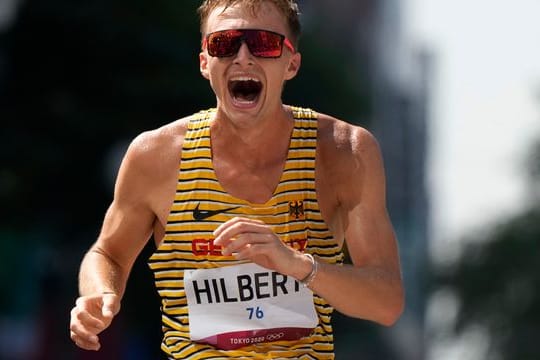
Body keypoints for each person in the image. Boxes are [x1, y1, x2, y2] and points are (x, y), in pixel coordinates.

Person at [69, 0, 405, 358]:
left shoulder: (344, 152)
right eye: (224, 43)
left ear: (291, 63)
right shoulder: (155, 155)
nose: (243, 57)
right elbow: (108, 253)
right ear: (204, 62)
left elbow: (386, 301)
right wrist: (98, 294)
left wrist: (297, 266)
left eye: (264, 43)